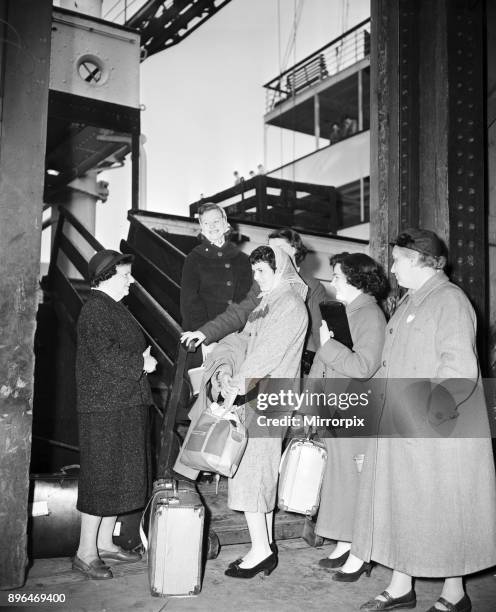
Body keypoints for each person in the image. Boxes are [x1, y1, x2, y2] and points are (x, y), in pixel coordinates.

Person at [350, 229, 496, 612]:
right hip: (403, 425)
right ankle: (401, 587)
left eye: (397, 260)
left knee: (446, 510)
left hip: (438, 430)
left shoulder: (450, 301)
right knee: (403, 506)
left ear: (417, 261)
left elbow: (459, 370)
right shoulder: (411, 301)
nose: (392, 268)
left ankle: (454, 595)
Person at [176, 246, 308, 578]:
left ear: (280, 271)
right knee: (254, 473)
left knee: (254, 474)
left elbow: (266, 355)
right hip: (257, 398)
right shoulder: (269, 302)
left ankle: (261, 550)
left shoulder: (290, 305)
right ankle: (263, 545)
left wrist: (233, 386)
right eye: (255, 272)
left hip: (267, 400)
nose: (257, 279)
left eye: (263, 272)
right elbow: (245, 340)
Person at [73, 250, 157, 579]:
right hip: (104, 408)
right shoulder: (95, 309)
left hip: (121, 402)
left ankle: (106, 543)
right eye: (125, 276)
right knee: (101, 478)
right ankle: (85, 551)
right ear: (107, 278)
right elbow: (105, 356)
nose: (131, 281)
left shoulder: (112, 307)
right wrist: (142, 364)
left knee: (118, 476)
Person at [307, 253, 387, 580]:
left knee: (356, 483)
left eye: (337, 276)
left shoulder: (370, 316)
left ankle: (361, 553)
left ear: (355, 279)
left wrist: (327, 346)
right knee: (339, 479)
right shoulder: (344, 311)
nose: (332, 281)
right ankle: (343, 540)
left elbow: (363, 367)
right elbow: (324, 362)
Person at [181, 228, 326, 374]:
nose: (271, 253)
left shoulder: (312, 288)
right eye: (269, 248)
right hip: (261, 364)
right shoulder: (262, 284)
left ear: (295, 250)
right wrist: (204, 333)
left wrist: (323, 377)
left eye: (278, 248)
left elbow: (320, 335)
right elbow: (240, 312)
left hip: (300, 365)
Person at [180, 203, 252, 365]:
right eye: (206, 223)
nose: (212, 227)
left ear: (226, 222)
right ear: (201, 227)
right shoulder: (194, 258)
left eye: (216, 221)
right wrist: (206, 338)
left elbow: (246, 301)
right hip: (203, 338)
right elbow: (190, 302)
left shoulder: (242, 259)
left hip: (236, 336)